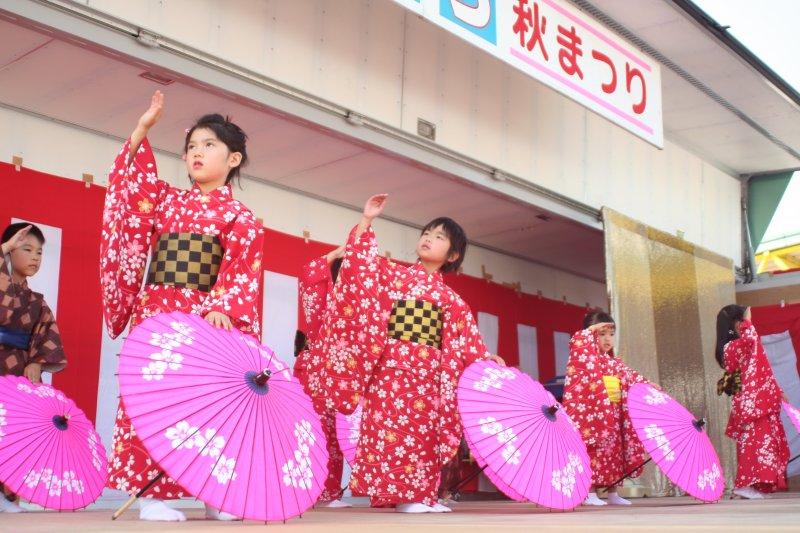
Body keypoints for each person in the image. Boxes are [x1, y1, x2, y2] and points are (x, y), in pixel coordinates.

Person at [99, 91, 264, 521]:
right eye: (192, 145)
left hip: (205, 316)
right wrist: (143, 128)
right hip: (158, 311)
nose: (197, 152)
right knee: (156, 400)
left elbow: (240, 269)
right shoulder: (167, 200)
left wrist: (223, 304)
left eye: (209, 145)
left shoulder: (241, 218)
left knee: (209, 404)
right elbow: (129, 188)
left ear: (233, 159)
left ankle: (214, 492)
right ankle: (153, 496)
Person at [316, 193, 504, 513]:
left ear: (453, 254)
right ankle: (401, 495)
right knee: (396, 433)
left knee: (424, 437)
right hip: (392, 370)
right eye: (426, 233)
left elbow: (466, 342)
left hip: (430, 375)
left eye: (439, 236)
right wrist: (367, 220)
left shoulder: (452, 300)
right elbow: (360, 265)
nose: (428, 239)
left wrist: (484, 358)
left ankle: (421, 494)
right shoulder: (395, 277)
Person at [0, 222, 67, 513]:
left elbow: (46, 333)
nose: (35, 257)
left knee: (15, 431)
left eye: (39, 251)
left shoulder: (37, 302)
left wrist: (38, 361)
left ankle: (8, 496)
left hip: (18, 371)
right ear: (9, 251)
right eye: (26, 248)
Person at [562, 311, 653, 506]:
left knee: (614, 453)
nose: (607, 339)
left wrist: (647, 385)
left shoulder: (613, 362)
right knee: (594, 451)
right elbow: (578, 343)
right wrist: (588, 332)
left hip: (612, 412)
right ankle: (589, 492)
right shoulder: (585, 355)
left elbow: (631, 376)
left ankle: (613, 491)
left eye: (611, 334)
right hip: (593, 413)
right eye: (601, 334)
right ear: (590, 333)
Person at [716, 305, 789, 499]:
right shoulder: (733, 346)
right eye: (742, 321)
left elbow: (755, 365)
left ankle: (753, 485)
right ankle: (744, 484)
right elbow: (751, 340)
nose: (745, 325)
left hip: (755, 399)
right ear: (736, 323)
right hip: (752, 402)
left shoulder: (735, 344)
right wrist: (748, 320)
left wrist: (777, 390)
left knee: (761, 443)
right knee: (754, 444)